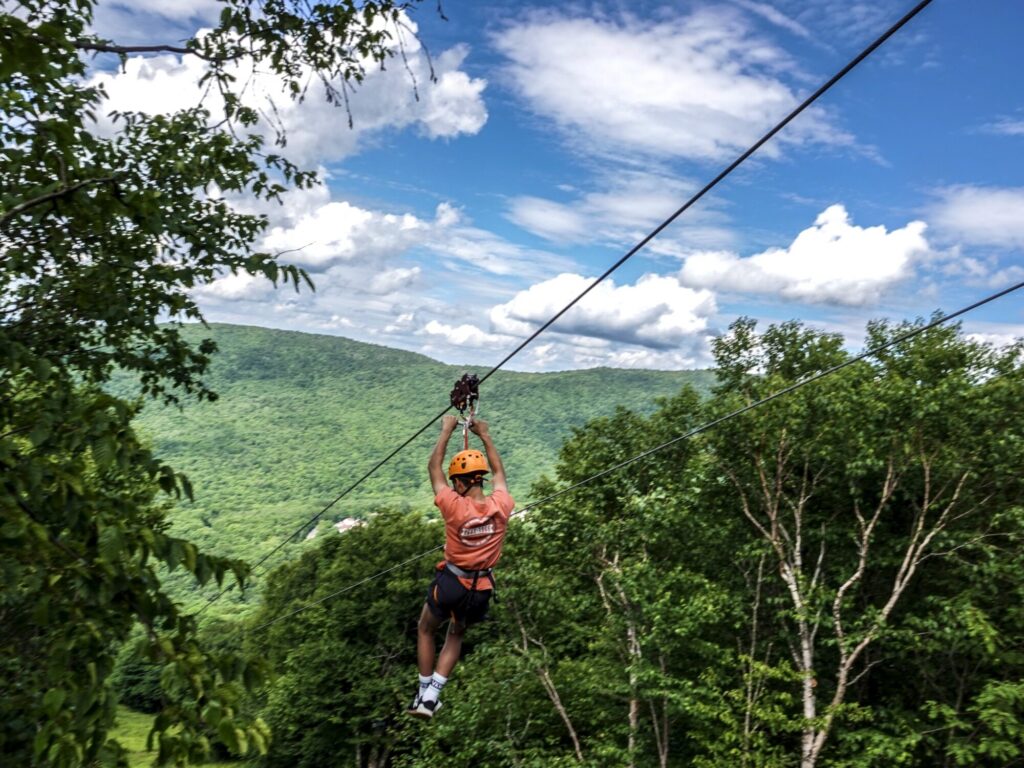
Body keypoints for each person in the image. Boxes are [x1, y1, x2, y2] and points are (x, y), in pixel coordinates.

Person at [406, 415, 514, 719]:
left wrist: (445, 431)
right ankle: (432, 697)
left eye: (455, 481)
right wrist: (485, 435)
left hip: (452, 583)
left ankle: (422, 691)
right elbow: (500, 472)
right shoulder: (502, 505)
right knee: (456, 634)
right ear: (480, 479)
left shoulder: (454, 507)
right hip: (481, 589)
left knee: (426, 629)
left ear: (461, 482)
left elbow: (433, 469)